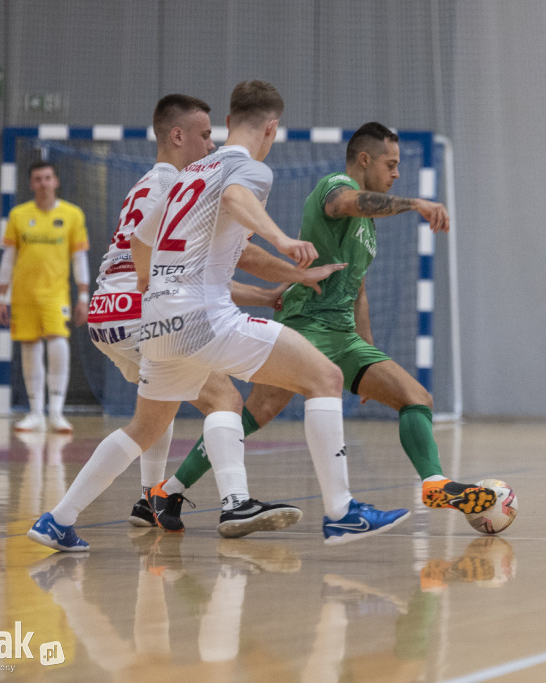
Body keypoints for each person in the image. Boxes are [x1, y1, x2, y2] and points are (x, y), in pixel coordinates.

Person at [28, 81, 408, 552]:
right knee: (326, 377)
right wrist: (282, 241)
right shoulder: (249, 170)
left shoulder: (185, 173)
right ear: (271, 129)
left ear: (229, 123)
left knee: (145, 428)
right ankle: (341, 512)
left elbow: (142, 239)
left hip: (158, 321)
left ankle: (58, 519)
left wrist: (151, 288)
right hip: (204, 318)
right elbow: (234, 201)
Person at [149, 122, 498, 531]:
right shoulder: (335, 187)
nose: (397, 173)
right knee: (253, 413)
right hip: (306, 327)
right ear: (364, 160)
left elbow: (359, 291)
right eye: (391, 164)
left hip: (344, 337)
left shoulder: (367, 229)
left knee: (416, 397)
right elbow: (348, 202)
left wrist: (369, 359)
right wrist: (414, 204)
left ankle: (435, 484)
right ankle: (166, 491)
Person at [86, 93, 346, 529]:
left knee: (155, 412)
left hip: (107, 309)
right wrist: (293, 264)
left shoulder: (146, 183)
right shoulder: (188, 182)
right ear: (177, 135)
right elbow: (238, 253)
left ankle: (146, 500)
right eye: (205, 135)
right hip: (143, 308)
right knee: (225, 397)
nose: (210, 145)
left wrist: (264, 296)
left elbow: (158, 254)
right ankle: (236, 501)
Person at [0, 161, 90, 433]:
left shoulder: (72, 215)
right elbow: (8, 259)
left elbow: (79, 258)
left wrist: (83, 296)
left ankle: (56, 412)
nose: (43, 183)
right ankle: (35, 412)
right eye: (37, 179)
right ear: (31, 184)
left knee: (58, 344)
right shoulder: (18, 215)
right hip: (24, 295)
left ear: (56, 181)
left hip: (55, 295)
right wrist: (1, 299)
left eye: (48, 178)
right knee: (29, 348)